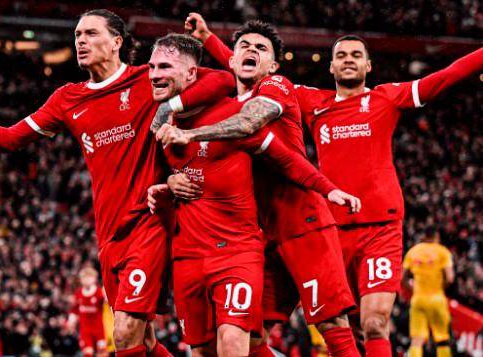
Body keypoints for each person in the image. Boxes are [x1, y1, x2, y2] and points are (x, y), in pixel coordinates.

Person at [164, 16, 482, 355]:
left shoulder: (384, 98)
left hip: (361, 224)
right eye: (341, 55)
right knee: (248, 334)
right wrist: (210, 38)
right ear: (330, 66)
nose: (348, 60)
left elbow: (444, 76)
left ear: (369, 65)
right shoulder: (314, 102)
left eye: (356, 55)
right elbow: (250, 70)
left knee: (367, 322)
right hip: (287, 228)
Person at [0, 9, 234, 356]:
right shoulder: (67, 100)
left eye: (91, 34)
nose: (80, 41)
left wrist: (172, 105)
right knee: (144, 340)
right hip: (109, 234)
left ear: (116, 42)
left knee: (124, 333)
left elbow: (225, 80)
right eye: (78, 35)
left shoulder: (148, 80)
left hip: (149, 221)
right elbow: (9, 138)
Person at [153, 17, 362, 357]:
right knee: (249, 338)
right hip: (258, 235)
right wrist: (170, 180)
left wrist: (190, 133)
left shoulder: (277, 87)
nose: (251, 51)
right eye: (244, 48)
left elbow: (249, 123)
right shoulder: (229, 101)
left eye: (261, 49)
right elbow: (233, 72)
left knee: (331, 325)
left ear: (274, 65)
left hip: (302, 224)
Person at [403, 228, 454, 357]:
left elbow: (402, 278)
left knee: (417, 339)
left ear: (424, 236)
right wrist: (440, 287)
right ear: (436, 236)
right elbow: (450, 278)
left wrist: (412, 289)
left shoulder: (413, 252)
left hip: (418, 299)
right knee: (442, 338)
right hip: (437, 298)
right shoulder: (442, 252)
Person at [67, 267, 107, 357]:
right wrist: (71, 321)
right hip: (85, 330)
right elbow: (74, 310)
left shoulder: (99, 292)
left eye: (89, 277)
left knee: (102, 353)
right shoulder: (78, 294)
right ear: (81, 280)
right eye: (84, 278)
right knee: (87, 352)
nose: (87, 280)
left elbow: (107, 303)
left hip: (99, 329)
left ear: (94, 279)